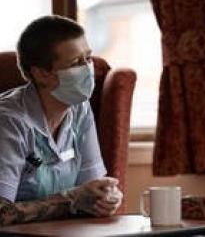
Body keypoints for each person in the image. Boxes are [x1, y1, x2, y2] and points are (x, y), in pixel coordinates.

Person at [0, 15, 123, 226]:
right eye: (76, 63)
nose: (88, 69)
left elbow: (91, 187)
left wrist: (105, 197)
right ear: (41, 73)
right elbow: (2, 213)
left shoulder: (79, 108)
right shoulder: (9, 121)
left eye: (89, 58)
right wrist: (71, 200)